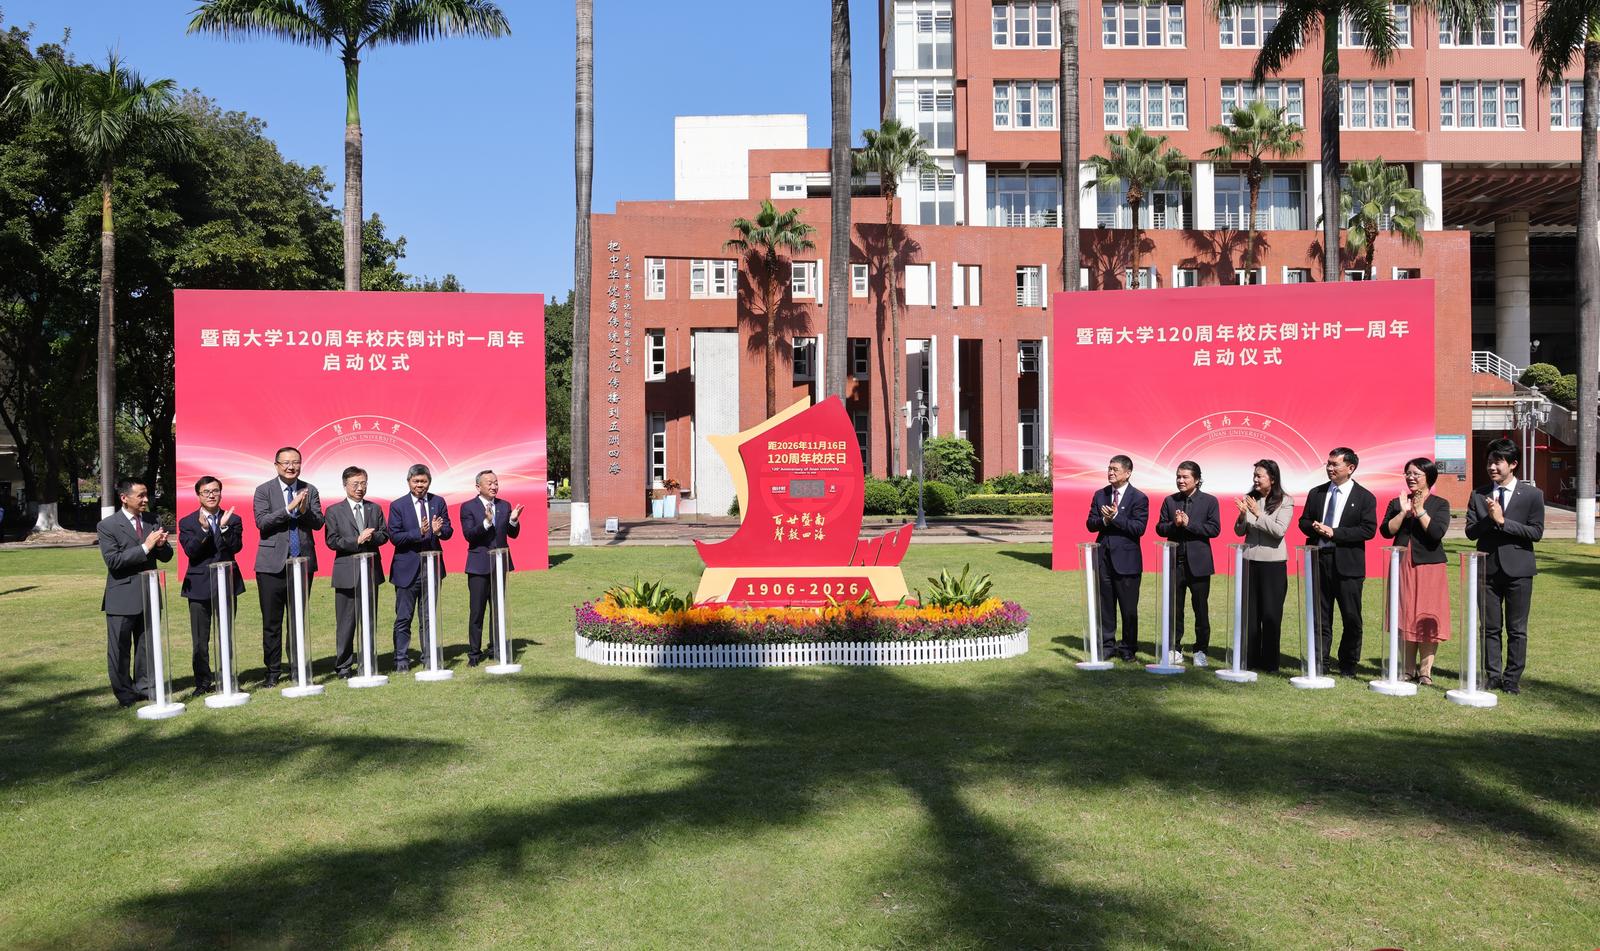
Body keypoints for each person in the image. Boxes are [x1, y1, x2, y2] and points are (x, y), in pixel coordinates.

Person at [1464, 437, 1544, 694]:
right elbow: (1470, 532)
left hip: (1519, 571)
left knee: (1517, 629)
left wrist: (1502, 521)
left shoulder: (1532, 495)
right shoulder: (1479, 494)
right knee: (1489, 627)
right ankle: (1493, 675)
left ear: (1513, 464)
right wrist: (1490, 519)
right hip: (1486, 570)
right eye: (1489, 462)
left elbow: (1536, 532)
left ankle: (1511, 679)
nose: (1492, 467)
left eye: (1498, 462)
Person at [1298, 447, 1378, 677]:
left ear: (1350, 468)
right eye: (1329, 463)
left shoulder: (1364, 497)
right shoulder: (1317, 493)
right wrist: (1314, 527)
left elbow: (1368, 529)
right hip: (1319, 560)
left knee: (1351, 617)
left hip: (1348, 565)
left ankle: (1348, 664)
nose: (1330, 468)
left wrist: (1335, 533)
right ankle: (1320, 662)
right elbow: (1303, 521)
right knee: (1320, 616)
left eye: (1335, 464)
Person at [252, 446, 325, 687]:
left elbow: (318, 522)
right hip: (271, 565)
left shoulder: (310, 489)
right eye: (286, 462)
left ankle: (297, 667)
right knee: (272, 622)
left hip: (302, 563)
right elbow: (262, 522)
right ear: (276, 465)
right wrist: (289, 508)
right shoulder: (264, 490)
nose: (291, 466)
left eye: (295, 462)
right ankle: (272, 672)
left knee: (297, 620)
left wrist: (303, 510)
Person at [97, 479, 174, 706]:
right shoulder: (108, 525)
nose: (145, 500)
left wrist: (161, 546)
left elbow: (166, 557)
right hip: (122, 597)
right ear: (124, 498)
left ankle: (146, 687)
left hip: (149, 595)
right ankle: (125, 694)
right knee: (120, 650)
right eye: (140, 495)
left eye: (146, 494)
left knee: (147, 646)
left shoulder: (153, 520)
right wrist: (145, 547)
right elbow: (113, 561)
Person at [1379, 458, 1452, 685]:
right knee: (1405, 614)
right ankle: (1408, 670)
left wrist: (1420, 511)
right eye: (1408, 473)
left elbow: (1436, 533)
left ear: (1428, 477)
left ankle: (1425, 671)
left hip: (1429, 566)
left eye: (1416, 474)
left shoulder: (1440, 504)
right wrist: (1403, 512)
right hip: (1402, 564)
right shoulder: (1397, 502)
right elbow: (1385, 531)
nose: (1410, 478)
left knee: (1428, 614)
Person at [177, 476, 246, 694]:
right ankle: (203, 682)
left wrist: (224, 528)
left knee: (226, 634)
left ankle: (226, 677)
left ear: (221, 493)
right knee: (200, 639)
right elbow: (191, 551)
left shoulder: (233, 519)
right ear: (198, 495)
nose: (211, 495)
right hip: (199, 585)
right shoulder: (188, 522)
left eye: (215, 491)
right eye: (206, 492)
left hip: (227, 583)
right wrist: (204, 530)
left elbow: (236, 547)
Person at [324, 466, 389, 679]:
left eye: (363, 483)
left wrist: (372, 537)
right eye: (355, 484)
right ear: (345, 485)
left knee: (369, 620)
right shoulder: (334, 511)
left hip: (370, 571)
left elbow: (384, 535)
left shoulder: (374, 509)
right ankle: (344, 666)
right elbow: (332, 541)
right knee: (346, 622)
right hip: (346, 574)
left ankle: (368, 662)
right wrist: (357, 540)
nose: (360, 488)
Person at [389, 463, 453, 671]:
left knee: (428, 617)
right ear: (409, 482)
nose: (420, 485)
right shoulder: (398, 505)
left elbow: (449, 530)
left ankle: (429, 658)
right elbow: (395, 537)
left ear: (429, 482)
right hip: (406, 570)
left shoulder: (438, 502)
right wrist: (420, 532)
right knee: (404, 617)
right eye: (416, 481)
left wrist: (439, 531)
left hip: (432, 569)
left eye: (423, 481)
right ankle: (401, 660)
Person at [1155, 460, 1220, 666]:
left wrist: (1189, 524)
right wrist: (1175, 525)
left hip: (1199, 565)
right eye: (1178, 476)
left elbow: (1214, 529)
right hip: (1175, 563)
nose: (1181, 480)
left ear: (1197, 479)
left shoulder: (1209, 501)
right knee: (1174, 609)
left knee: (1200, 609)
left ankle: (1201, 650)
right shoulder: (1170, 501)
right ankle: (1174, 648)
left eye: (1185, 477)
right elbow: (1160, 528)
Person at [1085, 454, 1148, 661]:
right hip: (1103, 559)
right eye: (1109, 468)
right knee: (1105, 606)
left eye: (1115, 469)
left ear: (1127, 473)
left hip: (1127, 562)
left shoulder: (1139, 498)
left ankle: (1128, 648)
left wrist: (1116, 517)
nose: (1110, 472)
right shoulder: (1100, 495)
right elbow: (1090, 524)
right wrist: (1104, 520)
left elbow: (1138, 528)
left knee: (1128, 609)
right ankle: (1107, 646)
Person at [1234, 460, 1293, 672]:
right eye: (1255, 476)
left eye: (1260, 476)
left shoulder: (1285, 501)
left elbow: (1279, 531)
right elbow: (1239, 531)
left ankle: (1269, 662)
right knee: (1250, 615)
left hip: (1273, 564)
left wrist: (1258, 514)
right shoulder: (1250, 499)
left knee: (1270, 614)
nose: (1256, 479)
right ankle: (1250, 660)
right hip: (1249, 561)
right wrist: (1243, 515)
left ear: (1272, 479)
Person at [460, 470, 523, 666]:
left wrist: (513, 520)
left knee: (498, 610)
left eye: (496, 482)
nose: (494, 486)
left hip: (499, 564)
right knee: (477, 611)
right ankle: (474, 653)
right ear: (478, 486)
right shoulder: (468, 507)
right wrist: (486, 522)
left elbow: (512, 534)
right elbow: (469, 535)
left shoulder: (504, 505)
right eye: (489, 483)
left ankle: (496, 648)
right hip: (478, 566)